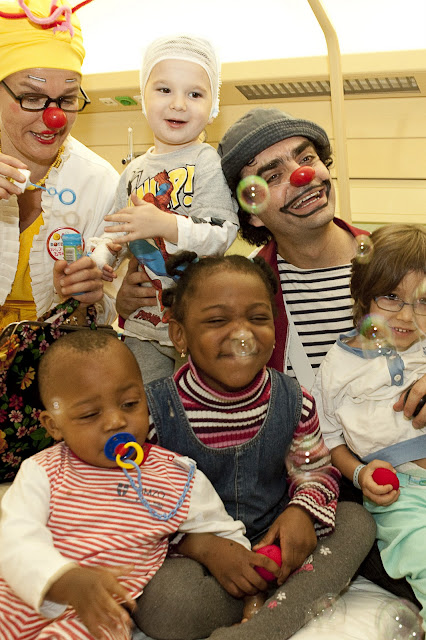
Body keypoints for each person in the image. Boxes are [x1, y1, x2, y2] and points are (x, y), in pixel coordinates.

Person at [131, 253, 376, 640]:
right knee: (168, 604)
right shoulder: (153, 413)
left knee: (357, 522)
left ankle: (263, 626)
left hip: (278, 539)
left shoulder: (294, 400)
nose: (242, 334)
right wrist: (204, 547)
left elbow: (314, 471)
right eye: (217, 321)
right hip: (199, 553)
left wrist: (301, 511)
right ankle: (268, 595)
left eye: (258, 318)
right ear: (179, 335)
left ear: (275, 328)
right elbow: (137, 504)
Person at [0, 330, 253, 640]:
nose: (115, 421)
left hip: (98, 618)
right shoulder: (44, 470)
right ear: (54, 426)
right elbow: (13, 535)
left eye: (130, 404)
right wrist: (64, 579)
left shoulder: (177, 476)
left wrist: (246, 587)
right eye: (90, 414)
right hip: (16, 597)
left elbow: (227, 539)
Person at [91, 34, 239, 383]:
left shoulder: (208, 164)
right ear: (143, 98)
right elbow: (115, 233)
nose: (178, 104)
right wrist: (100, 259)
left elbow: (222, 233)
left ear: (213, 107)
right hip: (142, 325)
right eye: (164, 90)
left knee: (196, 406)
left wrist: (165, 224)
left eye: (195, 94)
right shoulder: (132, 172)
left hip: (198, 325)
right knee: (145, 405)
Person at [312, 223, 426, 629]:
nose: (407, 315)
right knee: (420, 553)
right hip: (399, 492)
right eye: (391, 297)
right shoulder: (336, 368)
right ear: (362, 295)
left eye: (423, 301)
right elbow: (331, 440)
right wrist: (360, 475)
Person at [0, 0, 119, 329]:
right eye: (32, 98)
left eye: (67, 99)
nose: (55, 118)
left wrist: (87, 298)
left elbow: (114, 306)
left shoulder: (101, 184)